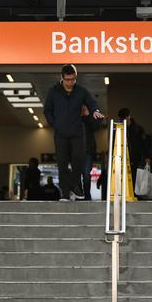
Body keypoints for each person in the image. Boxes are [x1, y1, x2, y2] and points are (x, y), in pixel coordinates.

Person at [44, 64, 105, 201]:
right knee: (62, 163)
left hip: (77, 133)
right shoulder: (53, 91)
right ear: (62, 77)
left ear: (75, 78)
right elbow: (47, 109)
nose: (70, 82)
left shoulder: (81, 91)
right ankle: (65, 194)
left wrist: (95, 111)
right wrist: (54, 123)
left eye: (73, 79)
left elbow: (91, 102)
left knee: (79, 160)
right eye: (67, 79)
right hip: (60, 134)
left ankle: (72, 184)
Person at [118, 108, 149, 182]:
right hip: (125, 160)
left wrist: (147, 157)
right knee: (127, 181)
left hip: (136, 160)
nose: (122, 121)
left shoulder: (138, 129)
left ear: (128, 117)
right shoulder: (121, 129)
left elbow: (144, 144)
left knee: (136, 181)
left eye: (123, 119)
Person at [81, 104, 101, 200]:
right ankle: (79, 194)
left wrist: (88, 115)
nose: (83, 109)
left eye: (85, 107)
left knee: (86, 174)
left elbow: (96, 127)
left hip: (88, 151)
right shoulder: (75, 119)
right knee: (76, 174)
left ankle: (87, 195)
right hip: (76, 151)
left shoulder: (89, 119)